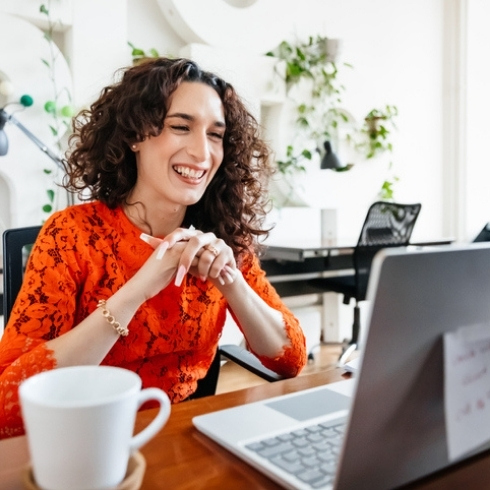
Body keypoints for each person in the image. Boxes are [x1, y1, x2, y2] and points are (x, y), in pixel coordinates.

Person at [0, 57, 307, 438]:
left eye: (215, 135)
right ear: (135, 135)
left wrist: (232, 281)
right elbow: (7, 406)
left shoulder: (221, 236)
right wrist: (139, 290)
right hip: (87, 446)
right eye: (181, 127)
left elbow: (291, 361)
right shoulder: (71, 236)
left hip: (180, 444)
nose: (202, 152)